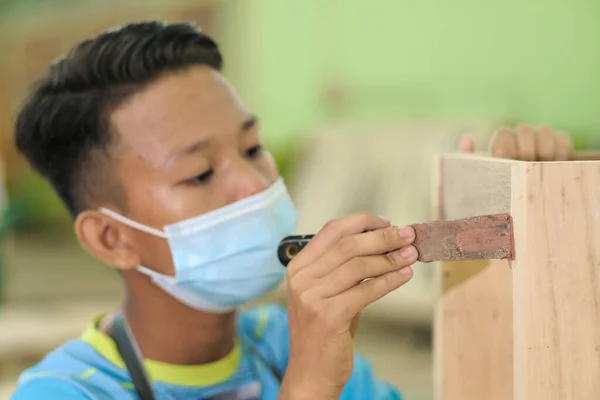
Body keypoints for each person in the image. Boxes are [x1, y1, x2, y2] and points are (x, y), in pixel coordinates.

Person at [10, 21, 573, 400]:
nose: (254, 184)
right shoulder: (66, 391)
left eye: (253, 148)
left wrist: (535, 209)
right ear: (111, 238)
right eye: (200, 173)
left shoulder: (279, 340)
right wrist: (308, 385)